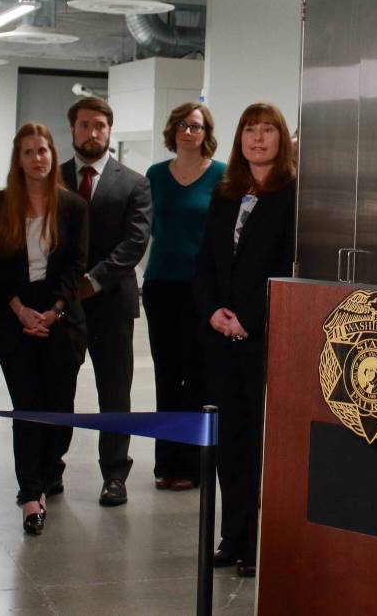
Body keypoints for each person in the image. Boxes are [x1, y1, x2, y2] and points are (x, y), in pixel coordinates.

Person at [194, 102, 296, 577]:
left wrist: (247, 318)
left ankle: (256, 543)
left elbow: (286, 268)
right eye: (250, 130)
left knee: (259, 443)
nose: (258, 139)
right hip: (220, 336)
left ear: (282, 138)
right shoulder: (225, 192)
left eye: (267, 130)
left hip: (263, 336)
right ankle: (231, 536)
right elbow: (207, 265)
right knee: (228, 441)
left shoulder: (292, 194)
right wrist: (213, 311)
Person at [0, 123, 89, 535]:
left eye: (43, 150)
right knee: (27, 410)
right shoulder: (1, 202)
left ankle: (46, 475)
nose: (37, 158)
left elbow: (76, 265)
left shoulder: (73, 206)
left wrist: (53, 312)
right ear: (19, 159)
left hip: (61, 322)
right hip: (15, 321)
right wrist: (21, 311)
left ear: (51, 155)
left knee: (58, 411)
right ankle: (31, 494)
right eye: (28, 151)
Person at [60, 97, 151, 507]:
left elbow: (135, 242)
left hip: (111, 302)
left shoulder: (133, 182)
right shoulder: (54, 177)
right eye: (84, 125)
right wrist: (66, 288)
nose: (92, 133)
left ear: (109, 130)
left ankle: (115, 475)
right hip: (62, 305)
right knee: (57, 388)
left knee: (115, 393)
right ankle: (49, 468)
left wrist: (93, 281)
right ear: (73, 130)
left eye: (99, 125)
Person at [143, 103, 226, 492]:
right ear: (172, 130)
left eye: (195, 125)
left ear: (206, 131)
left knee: (198, 376)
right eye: (181, 124)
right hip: (160, 285)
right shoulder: (156, 175)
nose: (188, 131)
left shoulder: (223, 175)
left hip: (202, 289)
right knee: (166, 375)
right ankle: (167, 465)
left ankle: (195, 465)